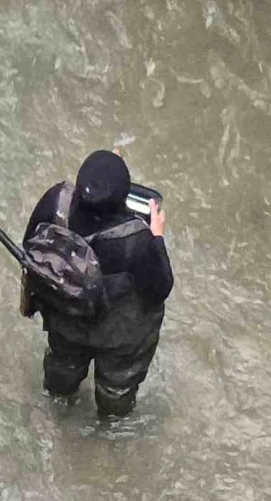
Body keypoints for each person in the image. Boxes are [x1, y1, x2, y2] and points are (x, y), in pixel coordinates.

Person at [21, 150, 173, 418]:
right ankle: (110, 422)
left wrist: (103, 171)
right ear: (123, 203)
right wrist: (157, 237)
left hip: (65, 318)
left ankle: (57, 404)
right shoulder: (137, 240)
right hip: (118, 337)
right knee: (117, 386)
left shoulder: (56, 201)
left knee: (63, 366)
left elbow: (29, 246)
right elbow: (159, 289)